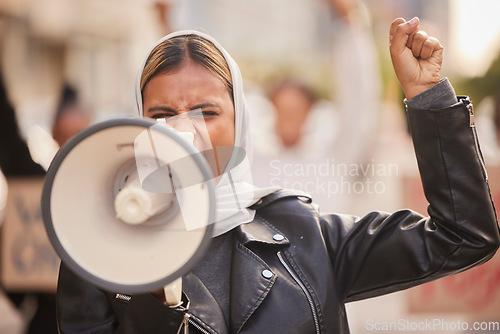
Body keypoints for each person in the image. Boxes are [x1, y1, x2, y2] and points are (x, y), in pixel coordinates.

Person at [56, 17, 500, 333]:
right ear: (141, 126)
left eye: (205, 112)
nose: (183, 132)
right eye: (162, 114)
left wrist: (428, 100)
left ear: (241, 121)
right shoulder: (101, 257)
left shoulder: (303, 235)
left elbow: (464, 236)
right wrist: (162, 304)